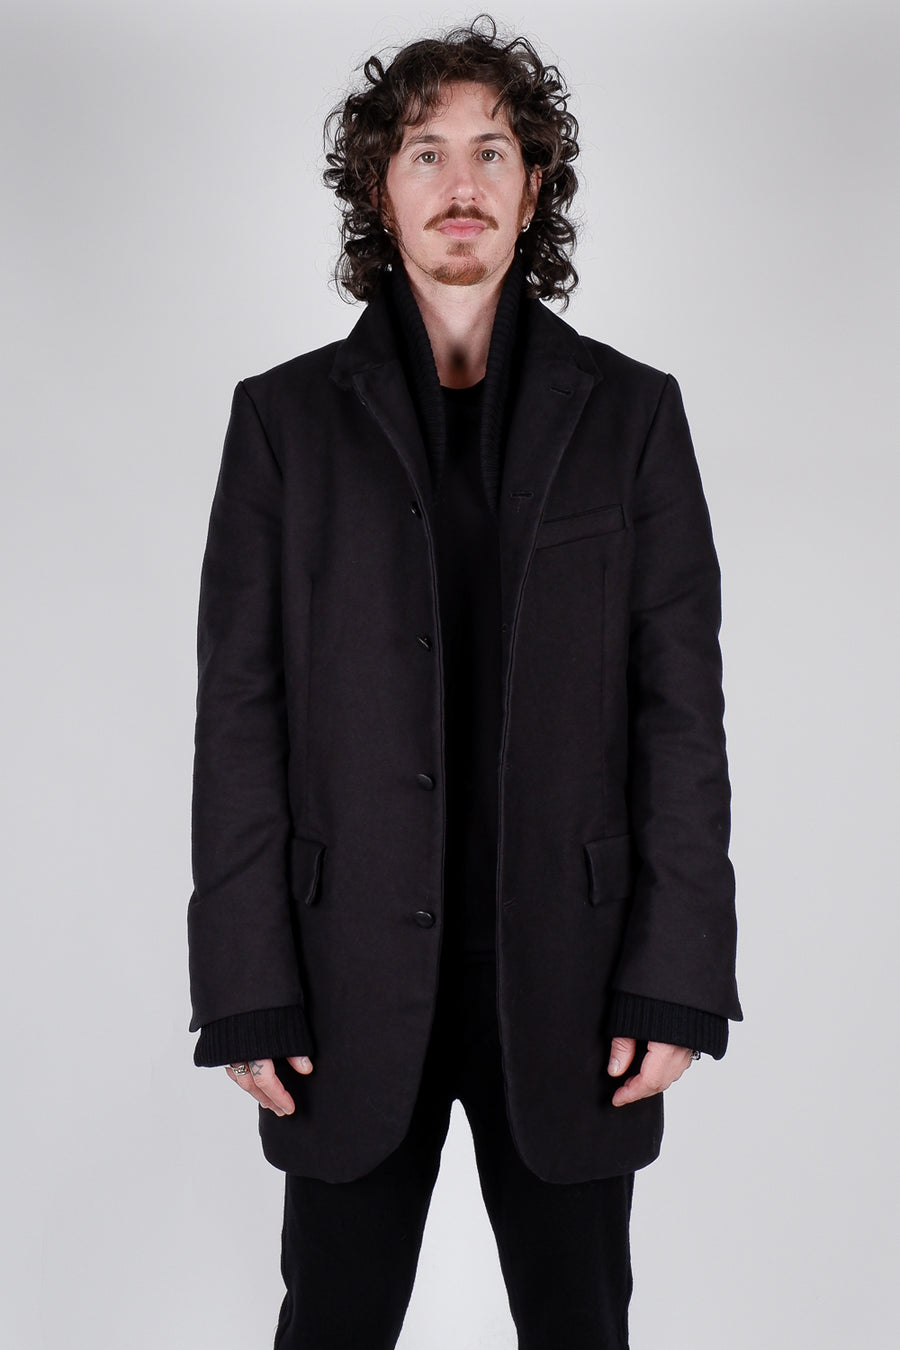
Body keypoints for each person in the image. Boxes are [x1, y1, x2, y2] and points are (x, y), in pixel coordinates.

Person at [187, 15, 742, 1349]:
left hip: (573, 979)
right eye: (425, 151)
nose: (461, 184)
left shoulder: (634, 416)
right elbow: (240, 717)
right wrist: (244, 980)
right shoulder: (281, 423)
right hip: (339, 977)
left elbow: (681, 714)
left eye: (493, 151)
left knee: (580, 1326)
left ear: (533, 187)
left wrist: (677, 975)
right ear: (380, 189)